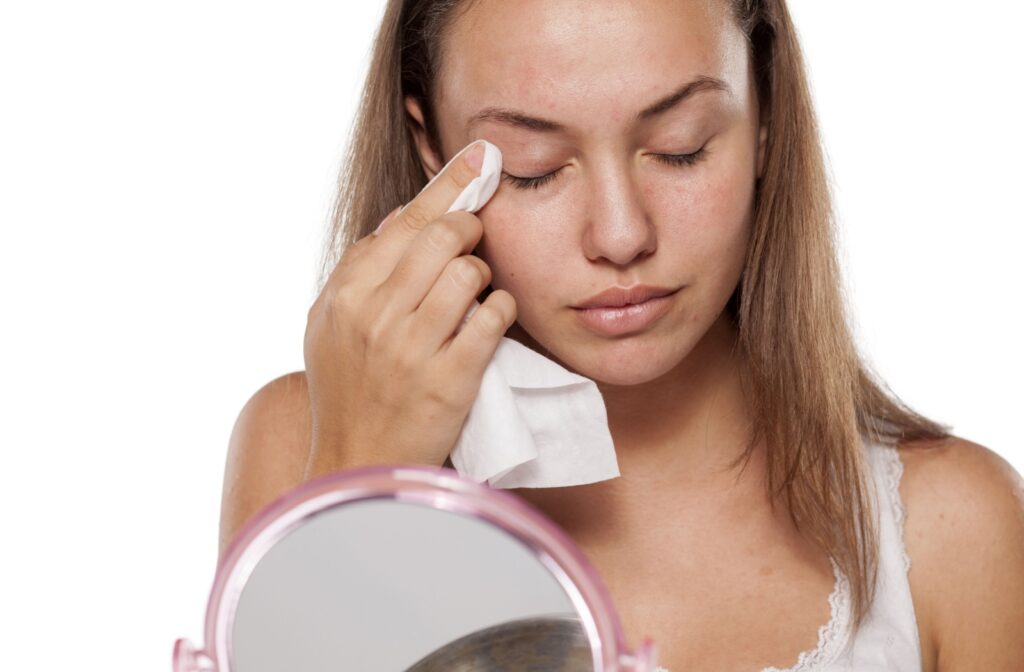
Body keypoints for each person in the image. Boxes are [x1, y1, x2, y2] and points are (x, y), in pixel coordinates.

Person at [218, 0, 1024, 669]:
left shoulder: (952, 531)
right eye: (533, 167)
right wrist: (363, 482)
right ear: (433, 149)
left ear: (766, 117)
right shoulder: (309, 442)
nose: (620, 234)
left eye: (680, 150)